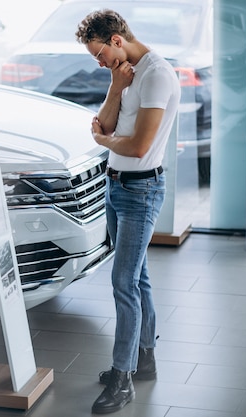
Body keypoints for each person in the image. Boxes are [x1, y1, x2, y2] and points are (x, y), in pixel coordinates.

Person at [75, 9, 180, 414]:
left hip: (141, 190)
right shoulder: (125, 74)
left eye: (99, 54)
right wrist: (115, 88)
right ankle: (144, 359)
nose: (98, 63)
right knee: (140, 278)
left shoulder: (156, 74)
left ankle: (122, 380)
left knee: (124, 282)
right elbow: (101, 123)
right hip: (116, 186)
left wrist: (107, 142)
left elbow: (136, 147)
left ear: (116, 40)